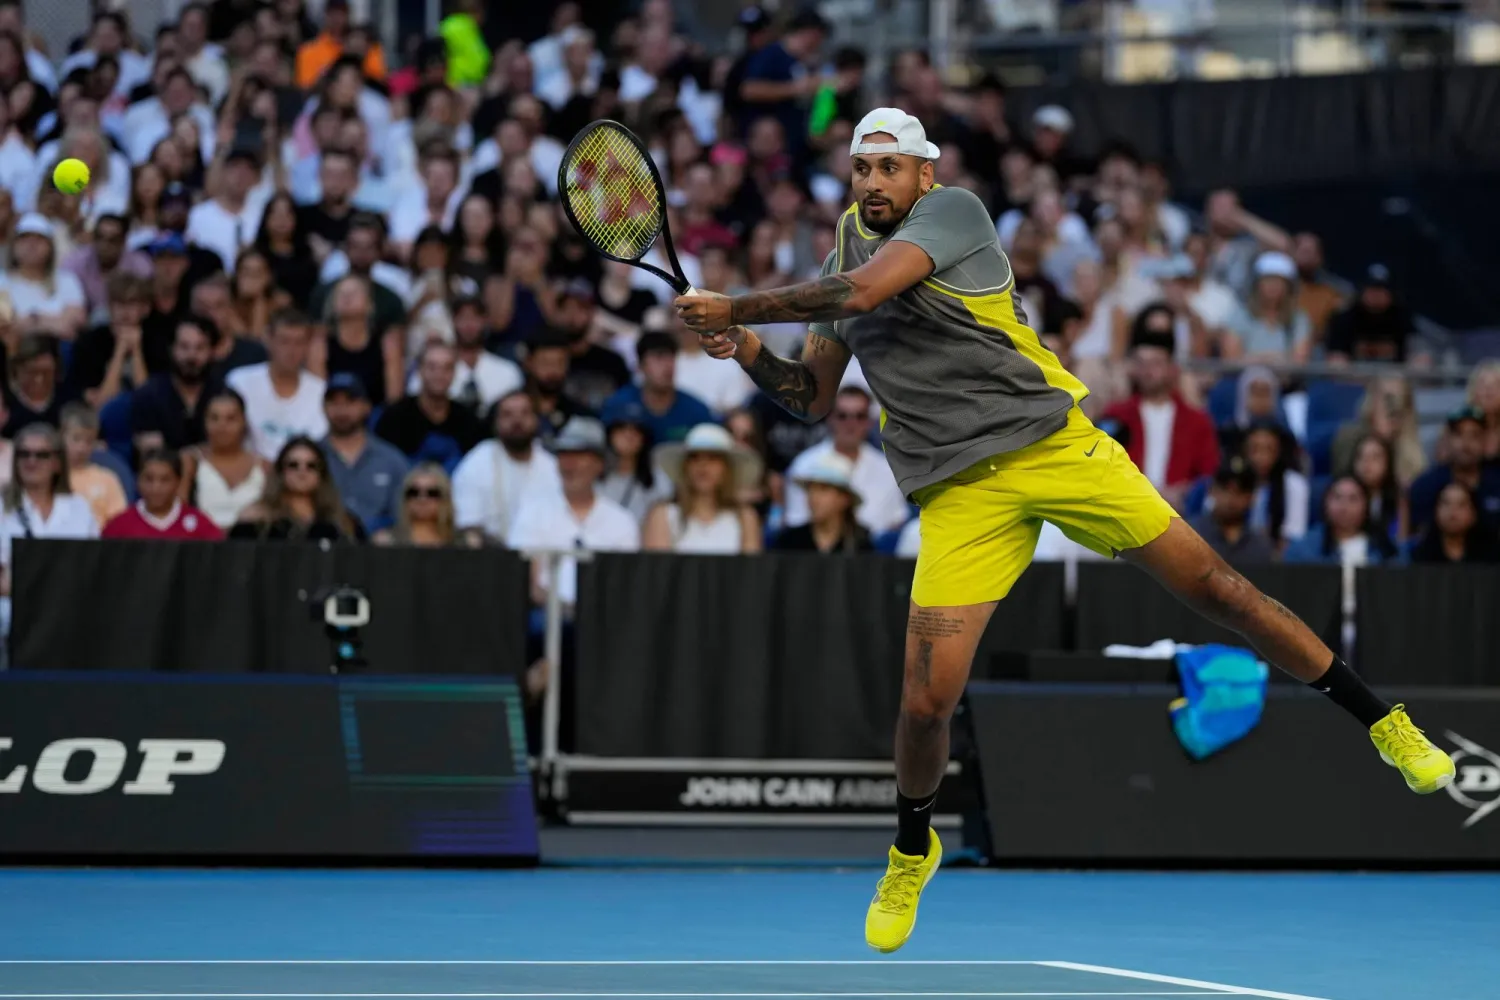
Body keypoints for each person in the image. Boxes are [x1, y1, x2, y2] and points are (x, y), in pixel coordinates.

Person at [673, 107, 1454, 952]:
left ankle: (1385, 723)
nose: (873, 181)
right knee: (926, 701)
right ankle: (911, 847)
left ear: (922, 177)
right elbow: (812, 398)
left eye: (890, 167)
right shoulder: (834, 261)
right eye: (862, 167)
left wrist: (737, 300)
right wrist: (746, 345)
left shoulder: (955, 213)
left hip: (1056, 448)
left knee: (1221, 591)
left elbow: (861, 292)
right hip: (959, 492)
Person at [507, 417, 639, 606]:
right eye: (564, 455)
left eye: (579, 456)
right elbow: (525, 579)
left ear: (599, 464)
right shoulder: (533, 512)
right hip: (542, 618)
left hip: (604, 619)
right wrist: (562, 610)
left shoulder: (621, 521)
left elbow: (624, 582)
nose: (569, 465)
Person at [1100, 320, 1220, 510]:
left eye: (1155, 363)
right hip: (1126, 510)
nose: (1147, 371)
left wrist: (1185, 492)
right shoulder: (1115, 416)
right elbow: (1102, 467)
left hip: (1181, 513)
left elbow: (1209, 473)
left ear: (1172, 368)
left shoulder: (1198, 421)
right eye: (1141, 363)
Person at [0, 423, 98, 637]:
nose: (31, 461)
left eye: (41, 455)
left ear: (57, 463)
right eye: (24, 454)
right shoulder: (1, 508)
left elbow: (93, 566)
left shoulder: (79, 508)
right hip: (12, 620)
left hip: (70, 616)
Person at [783, 386, 910, 534]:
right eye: (842, 416)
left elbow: (896, 524)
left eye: (859, 416)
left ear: (869, 422)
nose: (851, 424)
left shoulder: (888, 469)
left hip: (873, 553)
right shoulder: (804, 466)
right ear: (830, 418)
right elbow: (796, 523)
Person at [451, 389, 561, 542]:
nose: (517, 421)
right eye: (508, 414)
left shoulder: (553, 467)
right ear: (496, 423)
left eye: (524, 413)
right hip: (490, 557)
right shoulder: (477, 462)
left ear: (537, 420)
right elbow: (468, 527)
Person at [643, 423, 762, 555]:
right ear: (685, 467)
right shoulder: (663, 514)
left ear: (727, 469)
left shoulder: (745, 517)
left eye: (713, 458)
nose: (703, 465)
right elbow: (657, 570)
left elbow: (751, 572)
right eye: (694, 458)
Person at [225, 309, 328, 461]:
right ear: (269, 339)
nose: (291, 351)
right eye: (284, 341)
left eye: (299, 342)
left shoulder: (321, 391)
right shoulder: (240, 383)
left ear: (308, 345)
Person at [404, 295, 523, 416]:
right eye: (462, 318)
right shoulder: (430, 370)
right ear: (453, 321)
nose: (469, 325)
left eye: (475, 318)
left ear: (485, 321)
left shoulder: (508, 372)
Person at [319, 373, 408, 534]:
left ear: (367, 407)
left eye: (350, 402)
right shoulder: (310, 459)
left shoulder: (392, 460)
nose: (342, 410)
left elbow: (405, 516)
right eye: (334, 402)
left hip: (380, 552)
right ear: (323, 407)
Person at [232, 435, 364, 541]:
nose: (302, 472)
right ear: (281, 472)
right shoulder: (255, 519)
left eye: (311, 465)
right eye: (293, 465)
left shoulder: (343, 522)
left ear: (321, 474)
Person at [375, 341, 487, 464]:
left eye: (447, 368)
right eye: (432, 367)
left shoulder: (468, 421)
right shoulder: (394, 417)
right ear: (419, 370)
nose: (439, 374)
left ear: (454, 373)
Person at [599, 332, 715, 446]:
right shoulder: (618, 405)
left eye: (671, 358)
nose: (668, 365)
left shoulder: (696, 410)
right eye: (659, 357)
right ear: (640, 366)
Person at [182, 388, 266, 530]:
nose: (222, 426)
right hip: (200, 545)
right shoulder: (190, 460)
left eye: (231, 418)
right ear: (204, 422)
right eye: (214, 418)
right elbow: (179, 513)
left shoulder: (264, 466)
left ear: (244, 422)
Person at [130, 316, 217, 453]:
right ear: (172, 349)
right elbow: (152, 454)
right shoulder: (148, 395)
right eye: (184, 347)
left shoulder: (222, 393)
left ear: (211, 352)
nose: (191, 356)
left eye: (200, 348)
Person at [1408, 406, 1500, 531]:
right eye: (1459, 434)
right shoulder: (1426, 486)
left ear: (1484, 440)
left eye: (1474, 435)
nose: (1466, 444)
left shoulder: (1496, 480)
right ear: (1448, 439)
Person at [102, 448, 222, 540]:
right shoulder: (119, 526)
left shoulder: (201, 525)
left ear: (178, 482)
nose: (156, 488)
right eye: (149, 479)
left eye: (165, 480)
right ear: (138, 481)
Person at [1, 213, 86, 340]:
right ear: (14, 245)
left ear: (50, 247)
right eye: (24, 238)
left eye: (39, 239)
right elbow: (6, 326)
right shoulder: (2, 281)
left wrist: (33, 320)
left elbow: (74, 322)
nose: (31, 245)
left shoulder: (67, 280)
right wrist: (51, 323)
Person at [1283, 476, 1399, 566]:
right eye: (1337, 497)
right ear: (1325, 503)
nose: (1344, 507)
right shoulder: (1304, 549)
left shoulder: (1384, 549)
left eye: (1353, 499)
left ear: (1366, 506)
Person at [773, 451, 872, 554]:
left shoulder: (860, 543)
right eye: (811, 490)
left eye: (823, 490)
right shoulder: (789, 542)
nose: (813, 497)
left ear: (844, 499)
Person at [1188, 458, 1276, 565]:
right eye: (1225, 489)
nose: (1231, 498)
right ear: (1211, 490)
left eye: (1240, 491)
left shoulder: (1261, 546)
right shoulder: (1191, 534)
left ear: (1251, 497)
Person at [1240, 421, 1309, 548]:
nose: (1261, 457)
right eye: (1255, 449)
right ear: (1245, 450)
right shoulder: (1235, 482)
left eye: (1269, 449)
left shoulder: (1294, 484)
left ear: (1279, 451)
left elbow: (1293, 536)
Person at [1326, 265, 1412, 365]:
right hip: (1352, 377)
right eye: (1372, 289)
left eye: (1381, 290)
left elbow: (1417, 355)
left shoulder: (1402, 318)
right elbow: (1335, 357)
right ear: (1361, 291)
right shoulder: (1344, 318)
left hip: (1393, 377)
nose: (1376, 295)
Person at [373, 463, 474, 547]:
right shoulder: (385, 542)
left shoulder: (465, 543)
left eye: (432, 493)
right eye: (414, 492)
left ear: (445, 498)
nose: (422, 499)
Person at [60, 401, 126, 528]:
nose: (82, 448)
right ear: (62, 436)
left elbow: (118, 525)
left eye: (89, 441)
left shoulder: (108, 479)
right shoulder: (51, 477)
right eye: (76, 438)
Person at [598, 411, 671, 524]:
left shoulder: (658, 480)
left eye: (637, 430)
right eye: (621, 428)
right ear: (609, 435)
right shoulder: (592, 475)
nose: (628, 435)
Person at [1408, 483, 1500, 565]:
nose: (1452, 511)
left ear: (1474, 514)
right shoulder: (1421, 557)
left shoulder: (1492, 557)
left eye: (1461, 505)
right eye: (1446, 503)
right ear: (1436, 511)